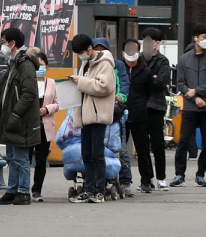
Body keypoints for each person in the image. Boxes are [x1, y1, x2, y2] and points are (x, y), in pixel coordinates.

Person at [0, 28, 42, 205]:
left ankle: (23, 191)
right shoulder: (15, 62)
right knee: (12, 156)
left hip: (21, 119)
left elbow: (29, 93)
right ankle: (12, 190)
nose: (3, 45)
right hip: (13, 117)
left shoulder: (24, 64)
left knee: (20, 157)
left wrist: (15, 113)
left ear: (13, 43)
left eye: (5, 41)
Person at [67, 33, 116, 202]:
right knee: (87, 154)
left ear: (90, 48)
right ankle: (89, 189)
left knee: (97, 154)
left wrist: (80, 81)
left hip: (98, 115)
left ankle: (99, 190)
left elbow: (105, 87)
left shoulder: (105, 63)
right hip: (86, 115)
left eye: (81, 52)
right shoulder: (86, 63)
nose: (80, 55)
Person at [174, 24, 206, 187]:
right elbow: (180, 82)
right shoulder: (184, 58)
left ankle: (200, 174)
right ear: (195, 38)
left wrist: (197, 91)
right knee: (183, 141)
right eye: (204, 37)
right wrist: (194, 97)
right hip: (190, 107)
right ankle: (179, 174)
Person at [93, 37, 132, 197]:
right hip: (95, 110)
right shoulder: (91, 64)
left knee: (119, 147)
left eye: (104, 49)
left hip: (114, 111)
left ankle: (125, 181)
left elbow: (124, 83)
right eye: (98, 49)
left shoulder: (118, 65)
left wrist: (121, 97)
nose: (101, 52)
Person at [121, 38, 157, 192]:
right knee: (120, 148)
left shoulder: (146, 71)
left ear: (139, 52)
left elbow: (149, 91)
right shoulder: (118, 69)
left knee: (142, 148)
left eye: (134, 50)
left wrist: (139, 103)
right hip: (120, 113)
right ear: (123, 53)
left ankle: (146, 180)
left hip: (139, 114)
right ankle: (122, 180)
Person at [141, 27, 172, 188]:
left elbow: (161, 81)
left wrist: (147, 79)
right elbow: (135, 81)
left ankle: (161, 177)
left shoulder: (163, 61)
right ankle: (146, 179)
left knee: (158, 143)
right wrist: (150, 77)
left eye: (150, 40)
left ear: (157, 43)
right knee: (142, 145)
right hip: (140, 106)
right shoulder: (138, 59)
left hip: (156, 106)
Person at [31, 52, 59, 203]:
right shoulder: (28, 82)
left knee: (41, 159)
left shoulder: (52, 83)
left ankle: (37, 190)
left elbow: (58, 102)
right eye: (37, 65)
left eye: (42, 65)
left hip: (45, 124)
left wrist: (47, 109)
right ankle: (22, 187)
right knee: (25, 157)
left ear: (46, 67)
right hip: (29, 125)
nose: (39, 68)